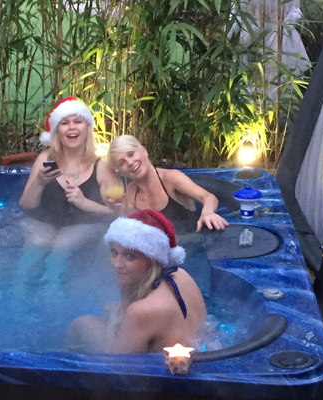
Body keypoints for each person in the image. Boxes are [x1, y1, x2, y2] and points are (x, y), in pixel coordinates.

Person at [68, 209, 207, 353]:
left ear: (152, 259)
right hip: (198, 356)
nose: (117, 264)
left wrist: (113, 324)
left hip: (165, 367)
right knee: (110, 308)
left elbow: (113, 364)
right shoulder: (181, 275)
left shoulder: (140, 312)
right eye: (114, 252)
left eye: (130, 256)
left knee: (81, 324)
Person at [19, 97, 122, 247]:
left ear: (87, 128)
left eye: (78, 122)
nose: (71, 127)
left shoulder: (101, 167)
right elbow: (26, 206)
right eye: (65, 123)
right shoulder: (45, 159)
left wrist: (85, 203)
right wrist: (39, 183)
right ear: (57, 131)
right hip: (45, 222)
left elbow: (119, 213)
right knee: (37, 242)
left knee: (63, 244)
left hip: (85, 225)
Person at [108, 135, 229, 233]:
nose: (130, 162)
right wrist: (117, 209)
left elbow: (209, 197)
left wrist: (207, 212)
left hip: (193, 242)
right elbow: (131, 230)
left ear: (144, 151)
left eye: (131, 154)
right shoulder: (130, 194)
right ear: (120, 171)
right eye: (122, 162)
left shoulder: (171, 178)